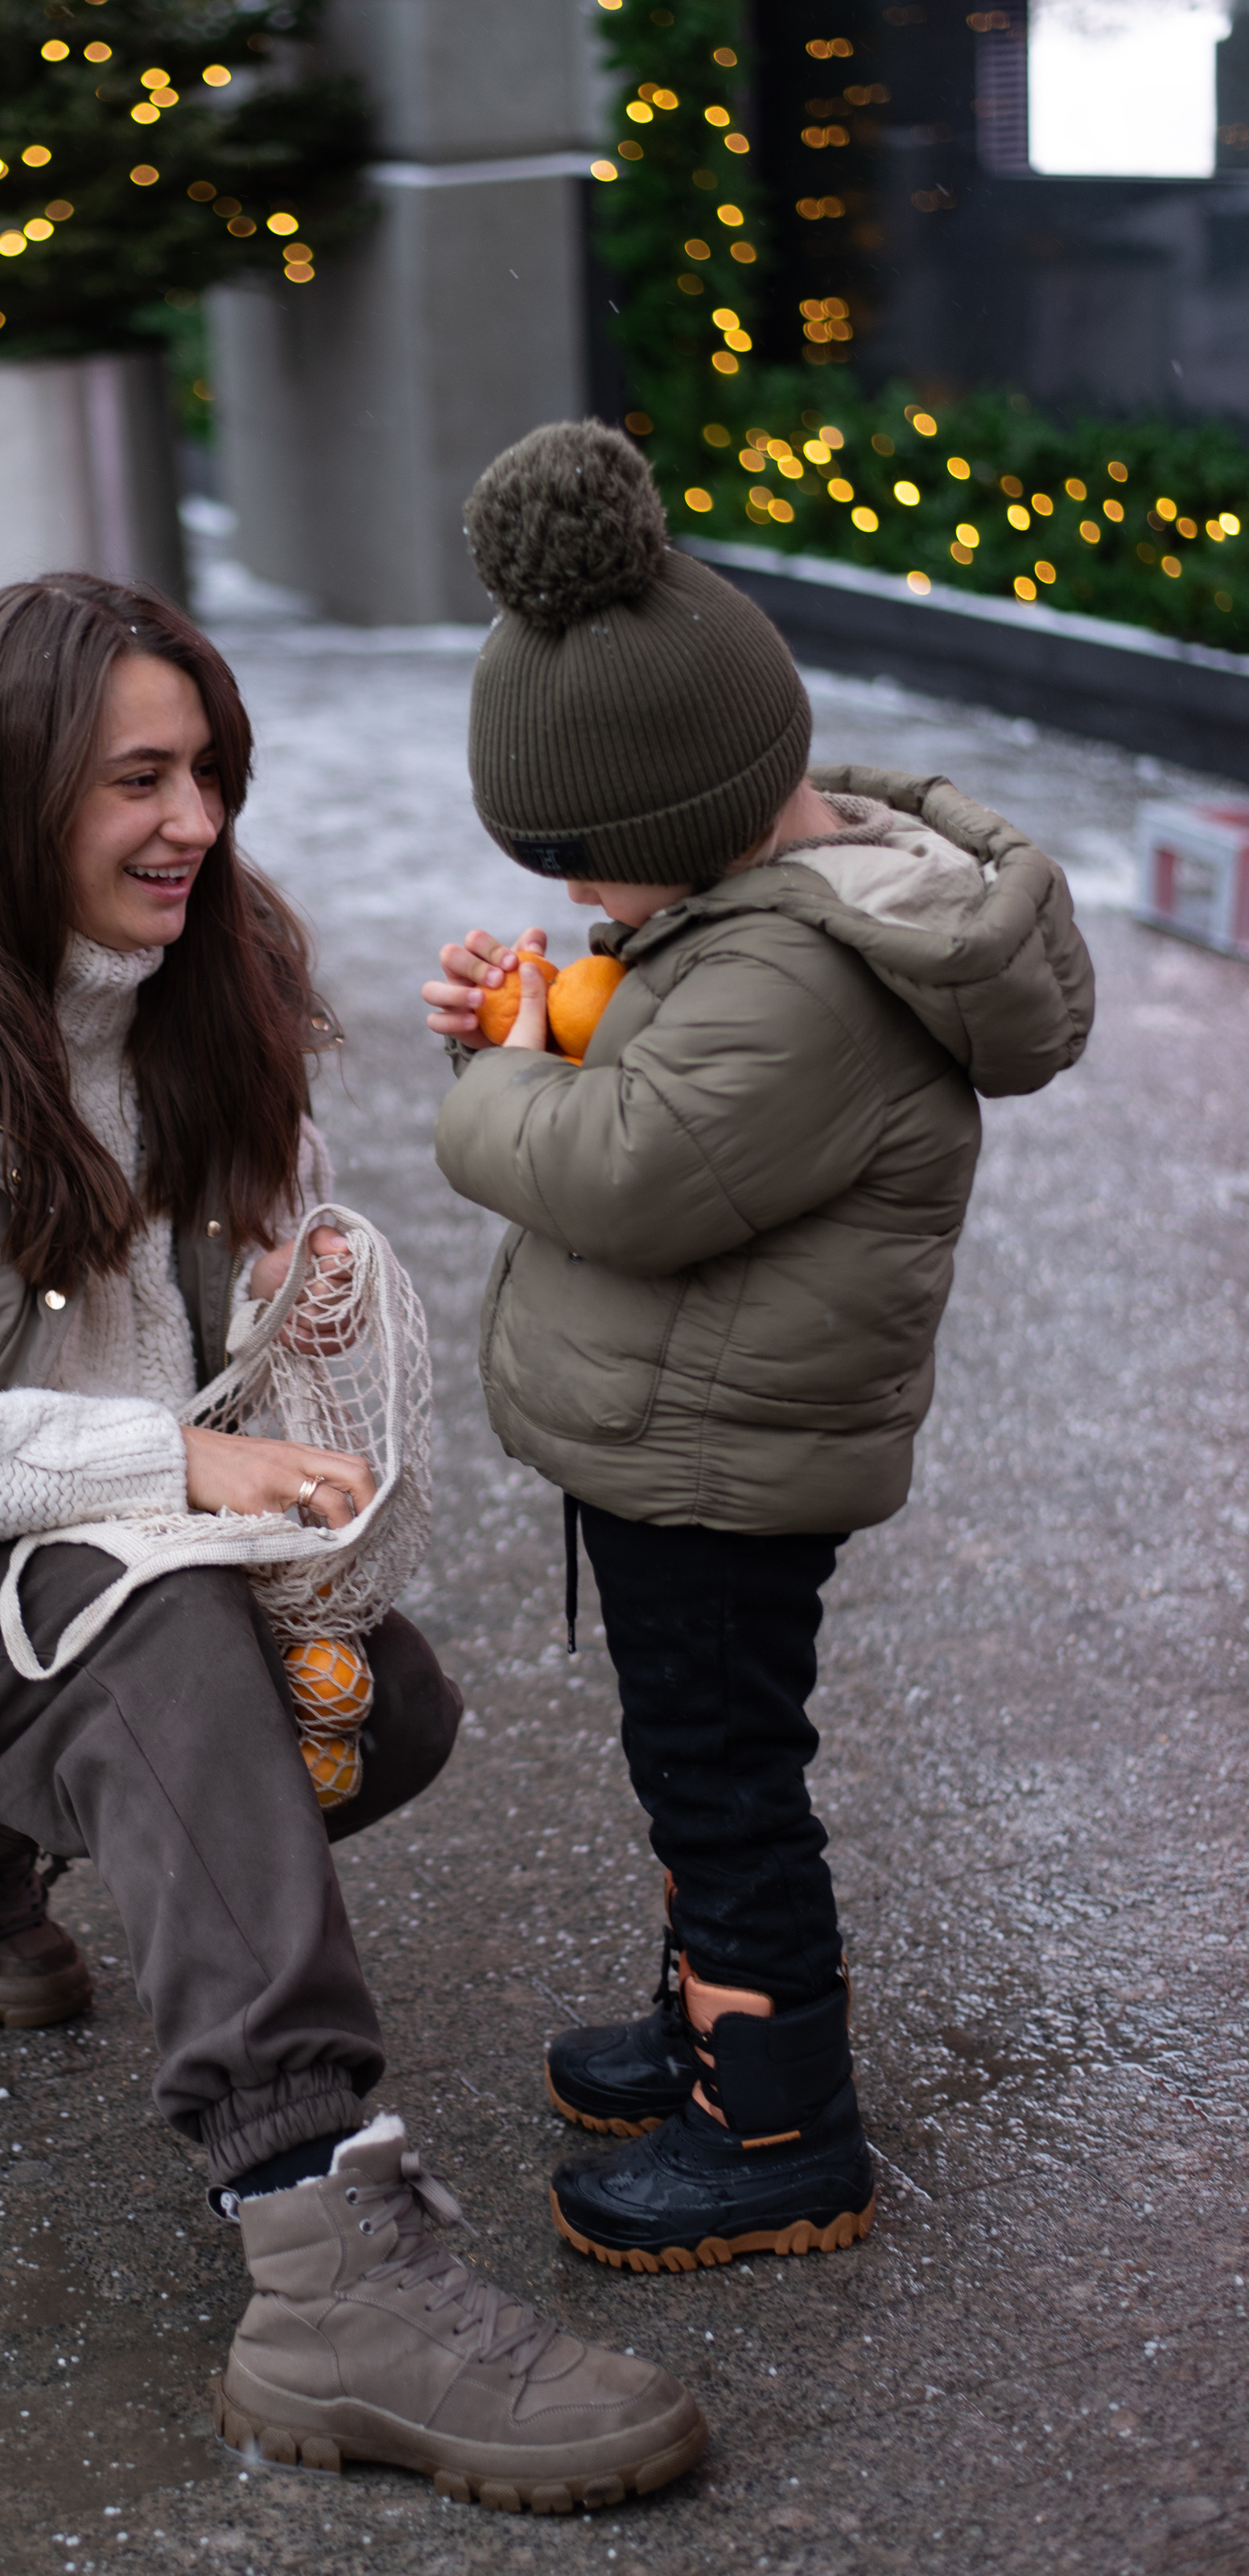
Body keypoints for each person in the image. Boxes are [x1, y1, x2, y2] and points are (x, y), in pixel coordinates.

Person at [0, 572, 706, 2510]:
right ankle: (326, 2266)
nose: (193, 823)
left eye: (209, 772)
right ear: (12, 786)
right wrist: (170, 1466)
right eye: (137, 780)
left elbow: (216, 1316)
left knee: (378, 1709)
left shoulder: (199, 962)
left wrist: (293, 1320)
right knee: (154, 1638)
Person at [423, 421, 1094, 2273]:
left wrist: (494, 1078)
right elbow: (662, 1067)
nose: (584, 909)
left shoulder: (785, 978)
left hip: (723, 1461)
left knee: (721, 1777)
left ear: (680, 826)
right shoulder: (751, 907)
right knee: (692, 1757)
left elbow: (626, 1169)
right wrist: (548, 1017)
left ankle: (779, 2126)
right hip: (698, 1432)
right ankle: (706, 2024)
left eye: (587, 874)